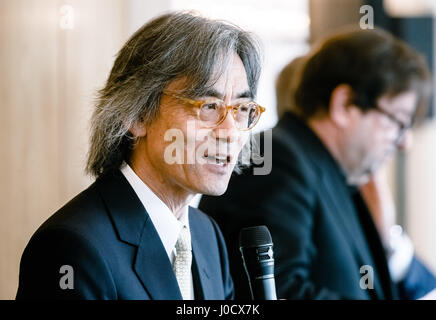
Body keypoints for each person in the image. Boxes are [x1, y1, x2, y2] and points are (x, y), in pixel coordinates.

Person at [16, 11, 264, 300]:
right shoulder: (70, 247)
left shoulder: (207, 235)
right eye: (209, 106)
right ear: (135, 115)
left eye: (242, 109)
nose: (231, 132)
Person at [200, 28, 436, 299]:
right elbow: (279, 291)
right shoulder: (275, 159)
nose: (405, 142)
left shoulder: (327, 171)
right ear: (344, 104)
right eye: (398, 121)